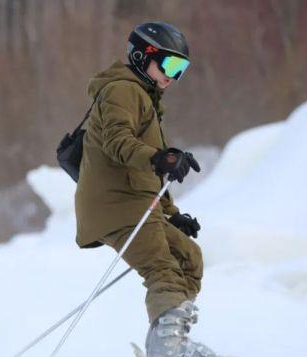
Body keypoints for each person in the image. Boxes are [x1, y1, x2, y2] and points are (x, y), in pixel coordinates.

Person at [74, 22, 221, 357]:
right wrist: (160, 157)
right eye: (169, 65)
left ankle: (166, 342)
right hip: (115, 205)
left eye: (181, 69)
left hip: (135, 202)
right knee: (163, 268)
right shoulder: (121, 91)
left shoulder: (145, 98)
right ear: (142, 56)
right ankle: (168, 349)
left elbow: (149, 175)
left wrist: (172, 215)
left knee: (188, 257)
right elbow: (118, 142)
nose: (173, 76)